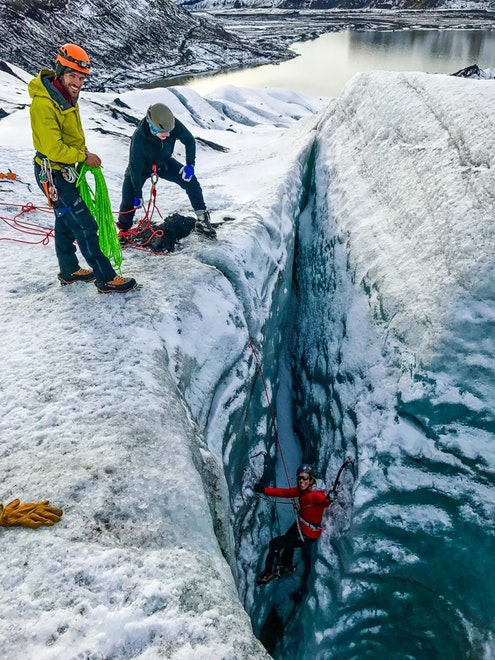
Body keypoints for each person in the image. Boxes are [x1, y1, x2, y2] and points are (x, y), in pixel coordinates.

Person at [28, 43, 138, 293]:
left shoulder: (64, 96)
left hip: (63, 170)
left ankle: (69, 270)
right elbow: (53, 148)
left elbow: (68, 136)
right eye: (72, 75)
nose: (77, 82)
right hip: (55, 173)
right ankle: (106, 278)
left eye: (81, 77)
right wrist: (83, 156)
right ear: (60, 72)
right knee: (86, 226)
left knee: (65, 221)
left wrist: (82, 152)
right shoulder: (45, 104)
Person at [117, 102, 217, 240]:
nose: (169, 134)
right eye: (163, 133)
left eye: (169, 131)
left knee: (190, 182)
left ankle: (202, 219)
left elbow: (189, 140)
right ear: (151, 126)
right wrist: (137, 194)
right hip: (142, 168)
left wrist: (190, 165)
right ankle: (123, 230)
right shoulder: (139, 139)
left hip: (164, 162)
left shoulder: (172, 124)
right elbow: (135, 169)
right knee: (128, 198)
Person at [254, 463, 333, 585]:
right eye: (299, 478)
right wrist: (263, 490)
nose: (301, 481)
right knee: (287, 540)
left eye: (305, 478)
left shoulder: (316, 495)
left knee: (275, 543)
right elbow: (284, 492)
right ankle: (287, 564)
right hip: (300, 526)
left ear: (311, 479)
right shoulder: (302, 491)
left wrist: (330, 498)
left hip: (307, 535)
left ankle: (269, 572)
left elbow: (323, 501)